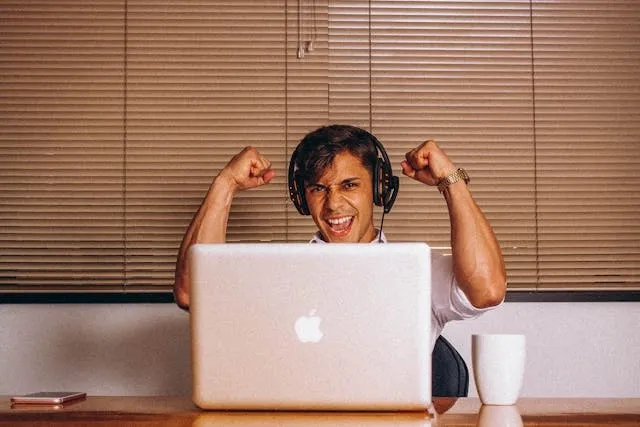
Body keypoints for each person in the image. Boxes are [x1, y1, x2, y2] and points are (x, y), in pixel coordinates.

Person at [173, 124, 506, 348]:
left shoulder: (419, 271)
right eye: (319, 188)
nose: (333, 204)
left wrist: (452, 179)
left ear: (379, 188)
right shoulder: (273, 273)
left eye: (349, 185)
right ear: (302, 197)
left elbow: (488, 290)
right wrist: (225, 183)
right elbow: (191, 293)